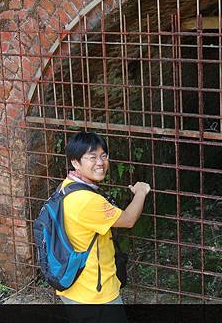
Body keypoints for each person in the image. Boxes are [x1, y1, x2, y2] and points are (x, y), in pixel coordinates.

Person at [57, 131, 150, 320]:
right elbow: (128, 219)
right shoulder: (86, 200)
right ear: (75, 162)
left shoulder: (66, 187)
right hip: (95, 292)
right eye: (92, 157)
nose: (100, 162)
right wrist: (141, 192)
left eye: (103, 156)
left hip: (74, 286)